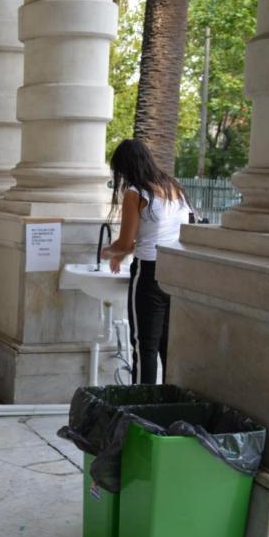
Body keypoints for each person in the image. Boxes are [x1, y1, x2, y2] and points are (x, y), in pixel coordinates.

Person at [101, 138, 191, 385]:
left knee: (144, 347)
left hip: (149, 273)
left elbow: (125, 243)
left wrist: (107, 253)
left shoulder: (136, 193)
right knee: (166, 345)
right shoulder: (175, 189)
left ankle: (141, 407)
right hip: (175, 272)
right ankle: (166, 403)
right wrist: (120, 254)